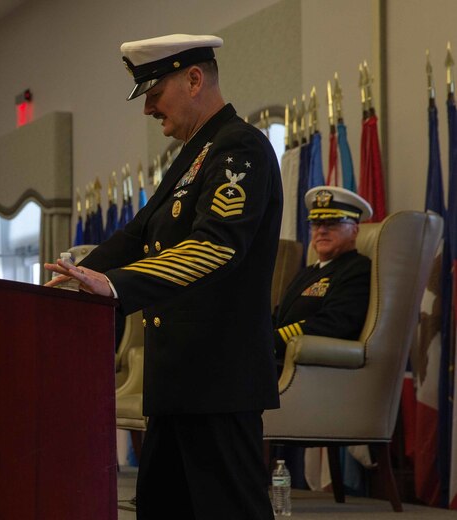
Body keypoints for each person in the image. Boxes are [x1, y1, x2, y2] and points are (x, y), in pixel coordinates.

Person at [46, 34, 282, 519]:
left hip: (219, 380)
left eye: (154, 94)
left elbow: (215, 245)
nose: (148, 109)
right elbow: (136, 235)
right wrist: (75, 278)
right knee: (159, 508)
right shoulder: (196, 154)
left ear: (194, 79)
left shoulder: (240, 147)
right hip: (177, 381)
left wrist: (115, 286)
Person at [273, 186, 372, 365]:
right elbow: (279, 316)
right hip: (277, 358)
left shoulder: (358, 269)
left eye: (332, 223)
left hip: (308, 365)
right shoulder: (307, 272)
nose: (322, 231)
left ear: (355, 231)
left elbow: (335, 323)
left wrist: (273, 341)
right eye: (316, 224)